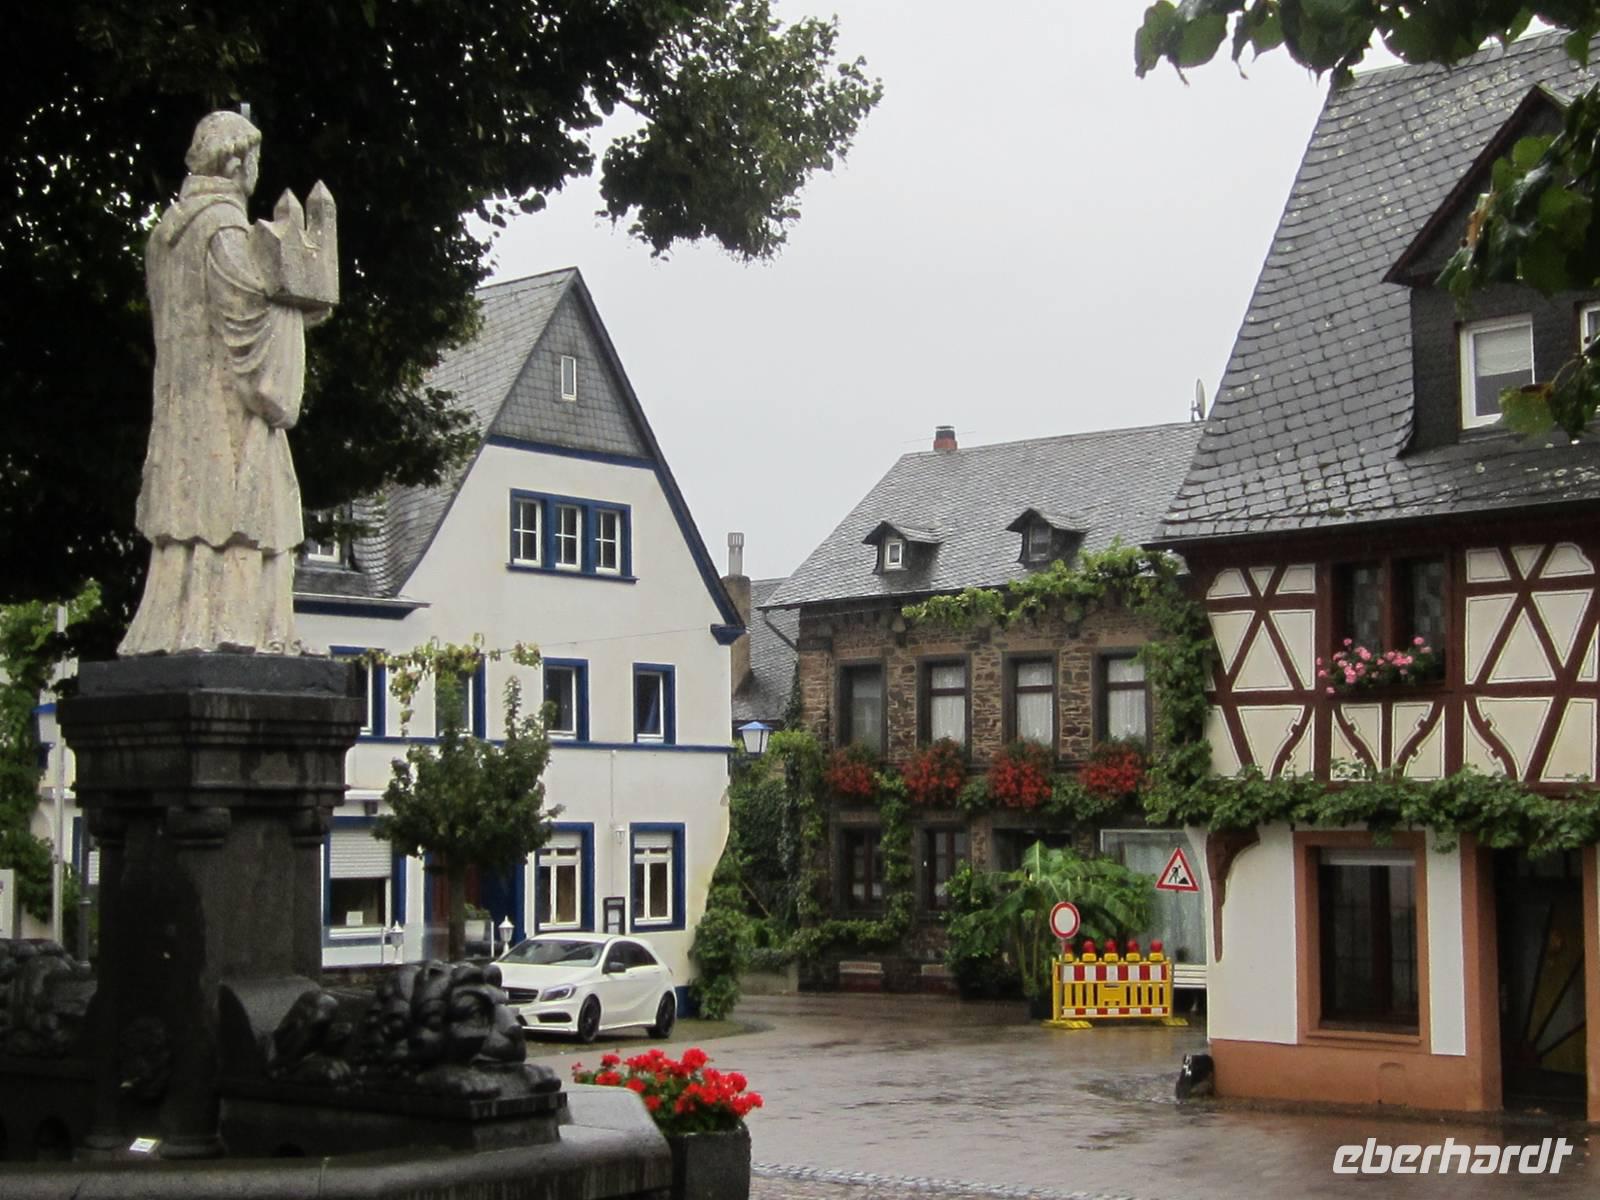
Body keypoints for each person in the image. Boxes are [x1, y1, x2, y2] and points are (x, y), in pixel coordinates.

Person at [120, 110, 332, 655]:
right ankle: (238, 629)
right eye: (254, 159)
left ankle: (177, 626)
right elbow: (247, 323)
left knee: (188, 517)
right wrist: (301, 306)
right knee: (248, 514)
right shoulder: (223, 230)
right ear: (237, 163)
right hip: (229, 414)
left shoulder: (166, 236)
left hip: (180, 405)